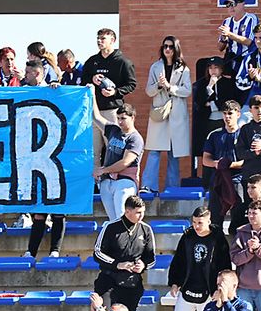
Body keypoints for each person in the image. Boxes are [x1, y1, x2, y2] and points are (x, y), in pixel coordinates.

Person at [168, 205, 230, 311]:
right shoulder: (188, 236)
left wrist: (220, 288)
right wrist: (174, 282)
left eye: (200, 222)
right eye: (194, 222)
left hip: (209, 292)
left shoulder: (218, 238)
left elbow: (225, 265)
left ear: (209, 221)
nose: (196, 226)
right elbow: (178, 261)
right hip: (188, 288)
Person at [92, 194, 156, 311]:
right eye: (138, 212)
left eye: (143, 212)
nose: (141, 216)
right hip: (109, 281)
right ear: (127, 211)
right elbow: (97, 253)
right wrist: (117, 264)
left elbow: (151, 257)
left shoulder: (146, 229)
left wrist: (143, 265)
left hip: (132, 282)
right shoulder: (111, 227)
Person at [143, 36, 192, 193]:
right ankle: (149, 186)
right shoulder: (155, 67)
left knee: (174, 153)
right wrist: (159, 85)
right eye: (165, 46)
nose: (168, 49)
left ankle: (172, 188)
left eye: (171, 47)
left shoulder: (184, 69)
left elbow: (187, 90)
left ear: (176, 49)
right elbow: (148, 91)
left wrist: (170, 87)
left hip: (176, 113)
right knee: (154, 151)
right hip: (160, 112)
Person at [81, 28, 137, 151]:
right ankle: (95, 171)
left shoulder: (123, 62)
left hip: (113, 111)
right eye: (98, 38)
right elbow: (82, 82)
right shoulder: (91, 61)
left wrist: (115, 92)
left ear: (112, 40)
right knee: (93, 150)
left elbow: (132, 84)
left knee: (113, 149)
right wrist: (92, 79)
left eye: (103, 38)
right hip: (94, 110)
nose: (99, 41)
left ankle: (112, 171)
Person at [95, 104, 143, 220]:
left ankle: (128, 238)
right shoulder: (114, 130)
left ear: (132, 118)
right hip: (107, 181)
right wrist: (92, 94)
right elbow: (96, 117)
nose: (120, 122)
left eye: (123, 118)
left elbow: (125, 162)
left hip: (125, 181)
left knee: (123, 217)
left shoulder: (135, 138)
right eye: (118, 118)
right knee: (113, 221)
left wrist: (103, 170)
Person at [202, 100, 245, 228]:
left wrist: (230, 165)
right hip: (218, 181)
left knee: (238, 218)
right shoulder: (214, 135)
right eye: (224, 113)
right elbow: (205, 160)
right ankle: (217, 246)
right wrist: (217, 164)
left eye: (230, 113)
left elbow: (248, 160)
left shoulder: (245, 134)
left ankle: (237, 246)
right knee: (215, 219)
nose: (227, 117)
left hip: (238, 180)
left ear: (238, 114)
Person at [217, 0, 258, 74]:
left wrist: (229, 34)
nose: (231, 8)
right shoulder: (227, 21)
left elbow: (249, 41)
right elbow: (220, 48)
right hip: (231, 60)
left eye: (233, 4)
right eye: (228, 5)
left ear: (243, 4)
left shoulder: (251, 18)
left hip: (247, 59)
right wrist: (223, 37)